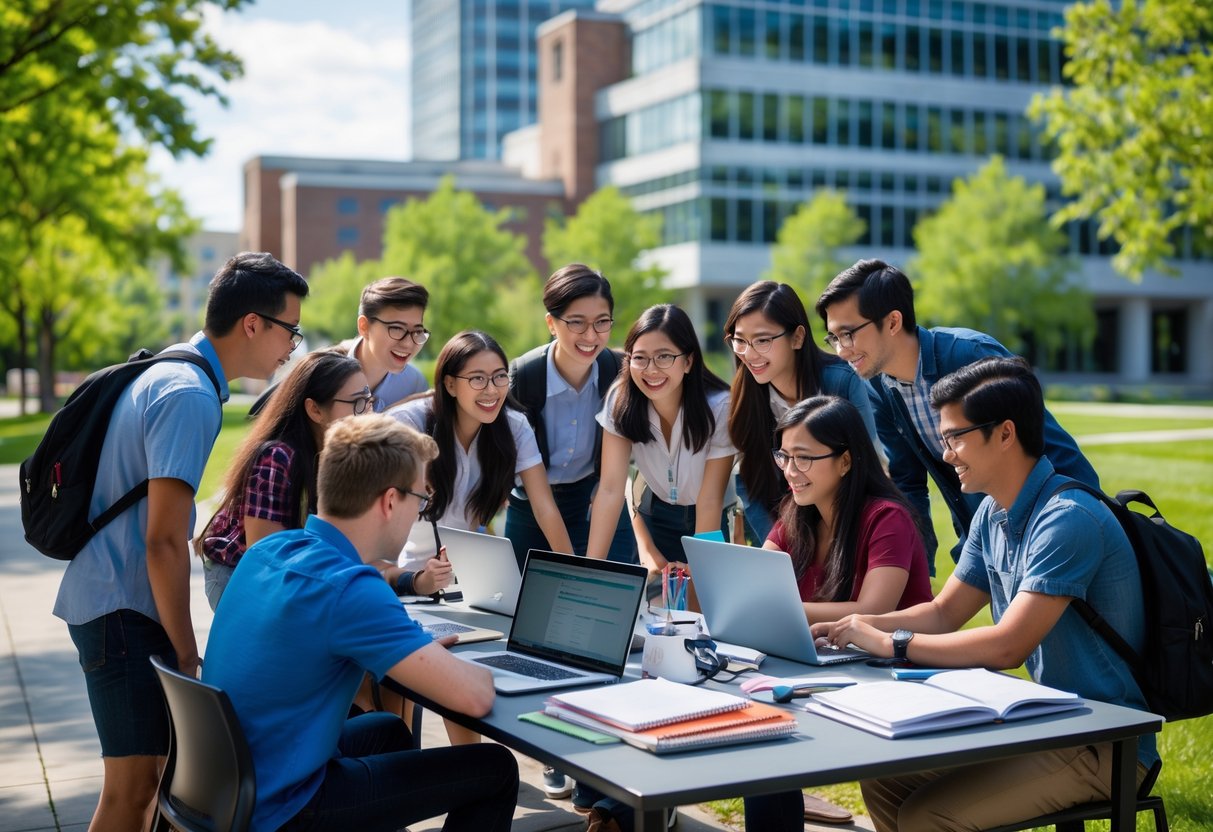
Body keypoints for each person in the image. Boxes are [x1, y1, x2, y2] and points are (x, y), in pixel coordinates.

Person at [809, 357, 1157, 832]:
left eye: (955, 437)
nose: (946, 454)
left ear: (1006, 434)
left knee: (928, 816)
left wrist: (892, 643)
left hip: (1104, 741)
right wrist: (856, 628)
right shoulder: (993, 513)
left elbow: (1007, 647)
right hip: (1048, 723)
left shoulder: (1068, 518)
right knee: (886, 780)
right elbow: (945, 610)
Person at [53, 252, 309, 831]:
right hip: (121, 609)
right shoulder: (189, 393)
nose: (290, 347)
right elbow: (165, 541)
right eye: (289, 330)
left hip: (115, 601)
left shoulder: (175, 371)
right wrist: (187, 651)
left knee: (154, 781)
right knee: (133, 790)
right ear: (252, 324)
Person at [203, 414, 519, 831]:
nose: (418, 515)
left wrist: (415, 655)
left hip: (230, 782)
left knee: (387, 732)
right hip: (285, 807)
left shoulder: (272, 549)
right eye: (420, 502)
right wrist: (470, 670)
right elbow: (475, 699)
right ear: (390, 501)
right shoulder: (350, 587)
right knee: (494, 768)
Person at [816, 258, 1099, 572]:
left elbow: (1044, 442)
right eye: (833, 338)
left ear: (893, 322)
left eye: (848, 334)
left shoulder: (970, 356)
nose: (841, 350)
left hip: (1053, 523)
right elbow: (908, 483)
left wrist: (1085, 520)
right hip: (984, 535)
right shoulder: (879, 388)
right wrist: (913, 572)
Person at [742, 395, 932, 828]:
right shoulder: (796, 514)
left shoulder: (888, 518)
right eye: (784, 456)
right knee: (757, 728)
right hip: (831, 668)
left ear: (846, 461)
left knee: (767, 731)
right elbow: (755, 582)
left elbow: (871, 610)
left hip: (889, 673)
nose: (790, 470)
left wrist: (776, 606)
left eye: (804, 458)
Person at [199, 351, 386, 608]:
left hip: (301, 576)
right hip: (240, 579)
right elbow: (264, 557)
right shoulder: (277, 458)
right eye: (357, 403)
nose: (368, 413)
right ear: (314, 409)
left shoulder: (345, 455)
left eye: (369, 399)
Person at [391, 330, 574, 570]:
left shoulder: (514, 427)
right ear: (450, 384)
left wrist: (575, 574)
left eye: (500, 377)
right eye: (477, 378)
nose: (491, 390)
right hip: (403, 575)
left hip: (468, 576)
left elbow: (544, 508)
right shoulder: (410, 424)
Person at [724, 281, 879, 544]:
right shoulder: (746, 395)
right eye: (740, 341)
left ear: (797, 337)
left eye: (762, 340)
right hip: (781, 529)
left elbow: (867, 467)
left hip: (849, 523)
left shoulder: (842, 382)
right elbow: (749, 481)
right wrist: (782, 549)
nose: (748, 354)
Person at [505, 263, 635, 570]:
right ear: (552, 323)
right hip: (531, 506)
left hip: (596, 500)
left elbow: (614, 483)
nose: (591, 335)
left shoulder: (619, 373)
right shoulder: (523, 377)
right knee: (521, 606)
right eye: (576, 323)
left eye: (602, 322)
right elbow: (538, 497)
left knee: (614, 597)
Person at [587, 304, 736, 570]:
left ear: (688, 361)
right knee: (654, 607)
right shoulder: (621, 399)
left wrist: (699, 576)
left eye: (664, 357)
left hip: (708, 519)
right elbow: (610, 489)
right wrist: (590, 568)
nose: (651, 370)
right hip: (654, 513)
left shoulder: (719, 408)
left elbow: (710, 500)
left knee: (701, 606)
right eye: (640, 358)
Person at [335, 276, 432, 411]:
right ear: (364, 326)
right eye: (397, 328)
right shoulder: (323, 374)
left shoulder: (415, 385)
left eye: (417, 331)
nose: (408, 344)